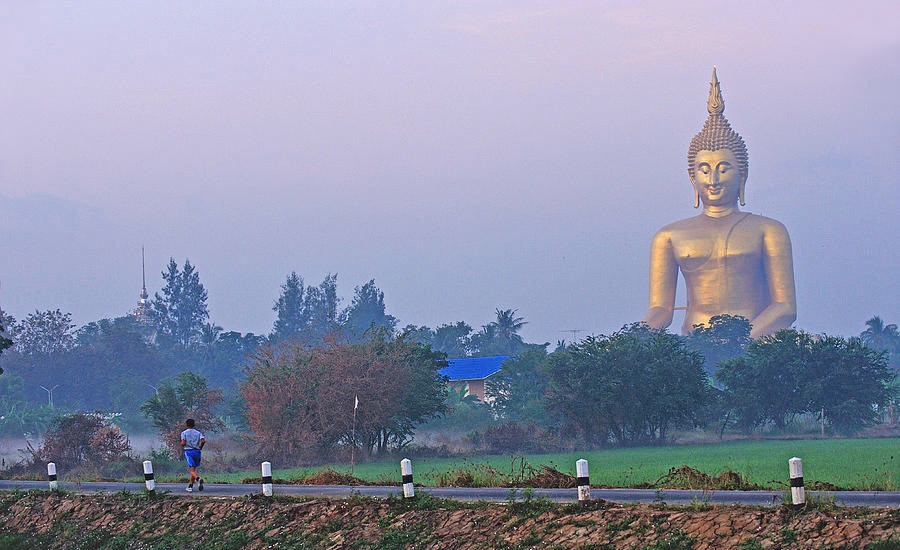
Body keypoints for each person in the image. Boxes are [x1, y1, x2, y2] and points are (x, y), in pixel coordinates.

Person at [642, 68, 796, 338]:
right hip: (695, 343)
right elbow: (660, 309)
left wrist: (741, 340)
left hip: (756, 340)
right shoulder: (669, 236)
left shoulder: (769, 230)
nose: (712, 179)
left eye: (723, 168)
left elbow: (784, 307)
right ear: (692, 178)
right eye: (704, 169)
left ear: (743, 175)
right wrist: (631, 339)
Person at [180, 418, 205, 492]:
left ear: (186, 425)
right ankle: (190, 486)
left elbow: (183, 443)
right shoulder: (198, 433)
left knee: (191, 470)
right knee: (193, 469)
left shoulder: (184, 433)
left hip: (189, 451)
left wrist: (182, 444)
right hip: (197, 451)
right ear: (194, 424)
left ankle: (198, 479)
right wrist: (200, 447)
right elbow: (203, 440)